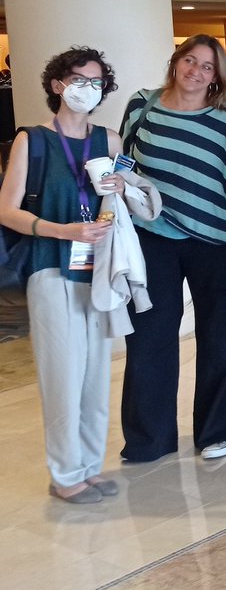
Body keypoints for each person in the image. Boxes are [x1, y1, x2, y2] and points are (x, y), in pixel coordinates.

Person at [119, 35, 226, 462]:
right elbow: (123, 167)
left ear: (218, 77)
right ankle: (149, 439)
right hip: (151, 240)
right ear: (175, 62)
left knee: (219, 337)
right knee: (149, 338)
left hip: (215, 241)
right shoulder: (141, 105)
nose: (196, 71)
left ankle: (219, 429)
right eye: (190, 60)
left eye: (207, 66)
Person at [0, 49, 130, 502]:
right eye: (79, 80)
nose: (87, 89)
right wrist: (63, 230)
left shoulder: (110, 141)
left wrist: (121, 190)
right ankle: (65, 475)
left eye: (96, 83)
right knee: (62, 374)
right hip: (50, 267)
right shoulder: (32, 140)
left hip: (97, 270)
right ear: (57, 84)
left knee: (96, 372)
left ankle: (89, 465)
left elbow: (123, 204)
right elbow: (7, 211)